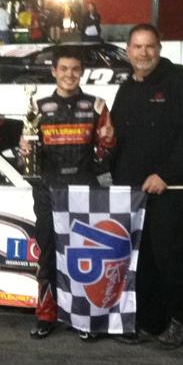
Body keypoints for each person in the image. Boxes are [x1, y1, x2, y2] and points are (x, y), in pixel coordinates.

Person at [109, 23, 183, 349]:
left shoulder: (179, 87)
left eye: (149, 46)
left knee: (170, 258)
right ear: (128, 52)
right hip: (133, 195)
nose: (143, 53)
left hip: (168, 192)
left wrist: (165, 175)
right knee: (142, 261)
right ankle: (151, 322)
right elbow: (117, 141)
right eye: (137, 47)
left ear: (159, 49)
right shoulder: (126, 90)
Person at [18, 45, 116, 341]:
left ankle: (84, 317)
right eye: (63, 69)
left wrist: (108, 143)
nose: (69, 75)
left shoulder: (97, 106)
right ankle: (46, 315)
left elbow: (106, 157)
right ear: (54, 72)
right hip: (48, 191)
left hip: (85, 189)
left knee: (83, 255)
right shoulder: (37, 108)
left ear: (82, 72)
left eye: (75, 69)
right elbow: (27, 160)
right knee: (48, 254)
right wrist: (25, 152)